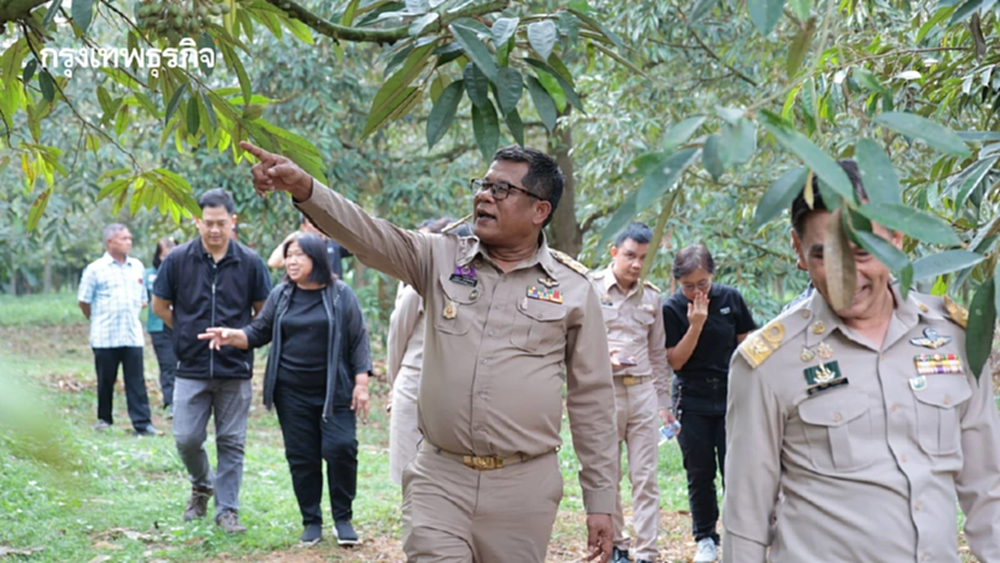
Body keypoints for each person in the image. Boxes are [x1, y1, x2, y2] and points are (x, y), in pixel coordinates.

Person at [240, 140, 620, 563]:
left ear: (540, 211)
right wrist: (307, 189)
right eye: (483, 185)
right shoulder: (439, 257)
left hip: (524, 487)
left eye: (502, 190)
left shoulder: (571, 288)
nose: (483, 196)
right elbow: (369, 234)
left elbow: (593, 401)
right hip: (440, 477)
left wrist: (601, 500)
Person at [722, 161, 1000, 562]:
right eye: (824, 256)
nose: (845, 275)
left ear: (897, 238)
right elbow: (745, 522)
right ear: (798, 251)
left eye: (861, 251)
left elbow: (989, 490)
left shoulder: (955, 338)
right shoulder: (767, 364)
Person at [198, 234, 372, 547]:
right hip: (291, 392)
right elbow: (258, 331)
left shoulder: (341, 294)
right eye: (288, 255)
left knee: (341, 449)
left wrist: (362, 384)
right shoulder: (281, 295)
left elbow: (358, 339)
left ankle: (343, 518)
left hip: (336, 391)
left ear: (316, 259)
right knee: (302, 457)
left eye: (299, 256)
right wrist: (232, 335)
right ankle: (311, 520)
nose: (291, 261)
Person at [151, 188, 272, 534]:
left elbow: (263, 315)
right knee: (186, 438)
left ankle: (227, 510)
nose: (215, 230)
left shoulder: (250, 262)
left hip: (235, 368)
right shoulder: (178, 260)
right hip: (190, 367)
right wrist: (187, 332)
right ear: (196, 221)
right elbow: (160, 306)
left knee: (231, 441)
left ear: (233, 221)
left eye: (221, 223)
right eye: (208, 223)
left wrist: (237, 337)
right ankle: (202, 483)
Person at [661, 244, 756, 563]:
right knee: (699, 472)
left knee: (736, 469)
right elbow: (675, 361)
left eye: (703, 284)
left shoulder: (731, 299)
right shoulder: (672, 308)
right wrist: (696, 324)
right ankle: (705, 537)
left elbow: (748, 347)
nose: (697, 291)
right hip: (693, 398)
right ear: (678, 283)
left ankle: (739, 535)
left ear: (713, 276)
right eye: (689, 286)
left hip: (732, 396)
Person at [591, 222, 674, 563]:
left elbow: (658, 355)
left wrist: (664, 404)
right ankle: (618, 547)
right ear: (614, 253)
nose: (636, 264)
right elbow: (576, 343)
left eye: (643, 257)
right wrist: (604, 358)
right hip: (604, 393)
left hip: (641, 394)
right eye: (629, 256)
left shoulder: (652, 297)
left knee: (645, 478)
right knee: (607, 476)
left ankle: (646, 553)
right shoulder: (591, 289)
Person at [386, 218, 472, 485]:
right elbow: (397, 335)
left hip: (458, 392)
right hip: (414, 385)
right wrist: (395, 385)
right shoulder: (422, 281)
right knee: (411, 471)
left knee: (451, 475)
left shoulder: (481, 287)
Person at [77, 224, 158, 436]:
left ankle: (143, 423)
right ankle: (104, 418)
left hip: (131, 334)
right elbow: (84, 301)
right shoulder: (95, 269)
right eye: (123, 238)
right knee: (105, 379)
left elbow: (142, 299)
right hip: (105, 335)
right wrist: (94, 319)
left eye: (129, 238)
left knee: (136, 381)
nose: (128, 242)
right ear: (110, 242)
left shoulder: (137, 266)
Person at [145, 237, 177, 419]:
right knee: (167, 364)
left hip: (180, 323)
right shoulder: (148, 274)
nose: (169, 259)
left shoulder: (186, 271)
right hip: (158, 326)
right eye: (165, 256)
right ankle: (170, 401)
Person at [267, 215, 352, 278]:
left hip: (333, 295)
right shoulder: (297, 245)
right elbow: (273, 262)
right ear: (304, 226)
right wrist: (289, 239)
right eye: (312, 221)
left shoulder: (334, 242)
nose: (317, 224)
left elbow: (360, 247)